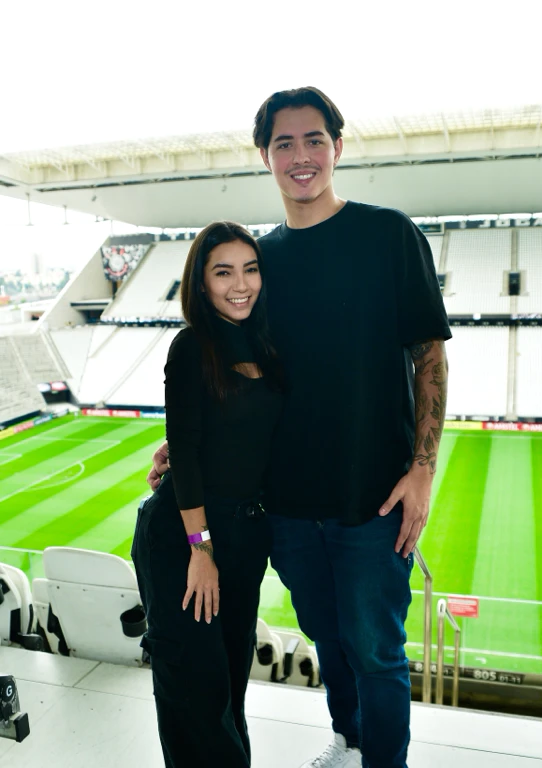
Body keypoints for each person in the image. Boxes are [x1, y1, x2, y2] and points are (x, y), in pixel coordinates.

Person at [149, 87, 451, 768]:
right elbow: (237, 371)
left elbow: (429, 355)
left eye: (314, 139)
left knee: (376, 649)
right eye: (283, 143)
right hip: (283, 505)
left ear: (337, 147)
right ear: (265, 156)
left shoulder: (388, 234)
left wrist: (423, 468)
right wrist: (190, 437)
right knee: (326, 634)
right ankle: (349, 740)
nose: (300, 155)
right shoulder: (262, 262)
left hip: (374, 498)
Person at [132, 221, 283, 768]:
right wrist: (201, 550)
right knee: (195, 696)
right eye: (224, 272)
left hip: (246, 536)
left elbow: (236, 433)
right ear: (201, 282)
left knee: (229, 684)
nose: (240, 284)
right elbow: (188, 449)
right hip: (186, 539)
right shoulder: (191, 345)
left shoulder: (266, 340)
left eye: (250, 269)